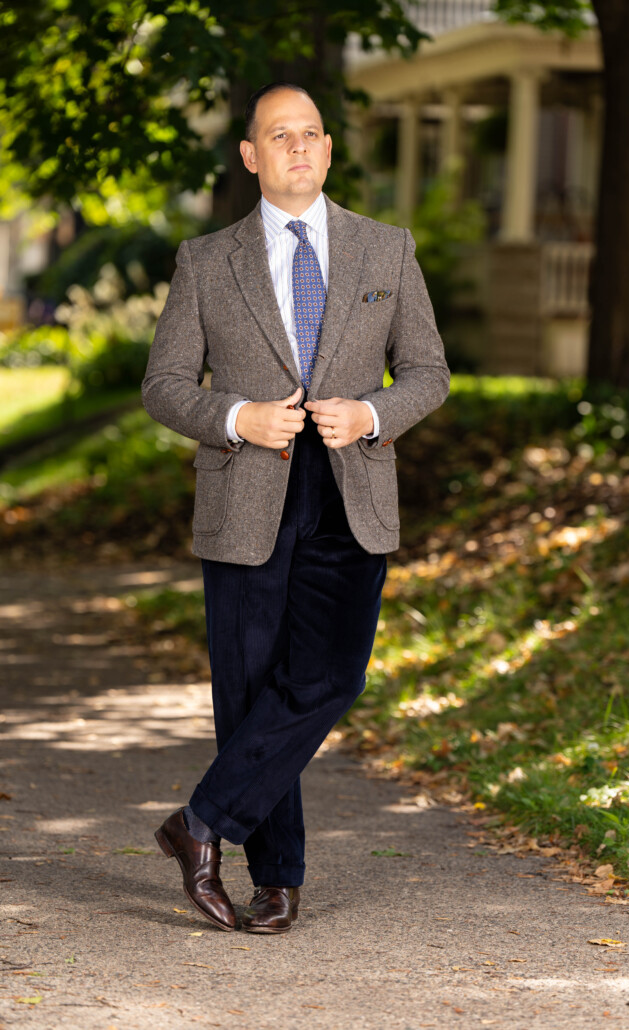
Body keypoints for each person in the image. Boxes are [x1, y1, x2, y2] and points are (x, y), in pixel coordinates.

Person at [142, 81, 449, 934]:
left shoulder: (385, 250)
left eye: (311, 133)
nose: (301, 148)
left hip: (351, 487)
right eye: (281, 136)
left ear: (325, 147)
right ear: (251, 156)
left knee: (328, 676)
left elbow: (429, 369)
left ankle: (199, 824)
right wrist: (236, 416)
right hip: (247, 489)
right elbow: (163, 385)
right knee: (249, 689)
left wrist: (373, 412)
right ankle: (277, 879)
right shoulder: (207, 261)